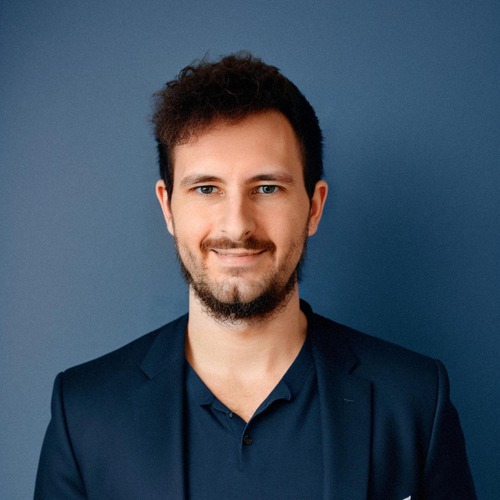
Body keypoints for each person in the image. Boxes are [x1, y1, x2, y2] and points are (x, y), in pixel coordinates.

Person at [35, 53, 476, 499]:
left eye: (267, 188)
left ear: (314, 207)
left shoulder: (414, 400)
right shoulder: (84, 414)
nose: (236, 226)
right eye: (206, 188)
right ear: (168, 207)